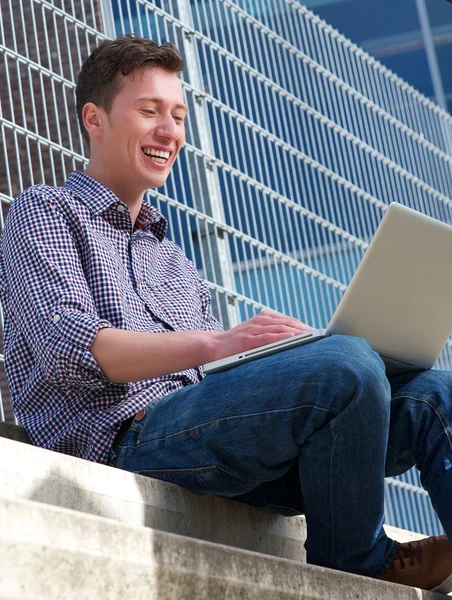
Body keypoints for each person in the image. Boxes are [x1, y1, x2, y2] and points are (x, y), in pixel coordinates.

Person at [1, 34, 452, 594]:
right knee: (348, 366)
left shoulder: (176, 261)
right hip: (123, 442)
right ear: (95, 119)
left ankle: (363, 545)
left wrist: (277, 355)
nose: (170, 131)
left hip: (216, 444)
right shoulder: (45, 211)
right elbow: (70, 347)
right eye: (149, 112)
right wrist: (217, 343)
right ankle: (359, 561)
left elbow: (212, 386)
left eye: (179, 115)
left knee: (435, 394)